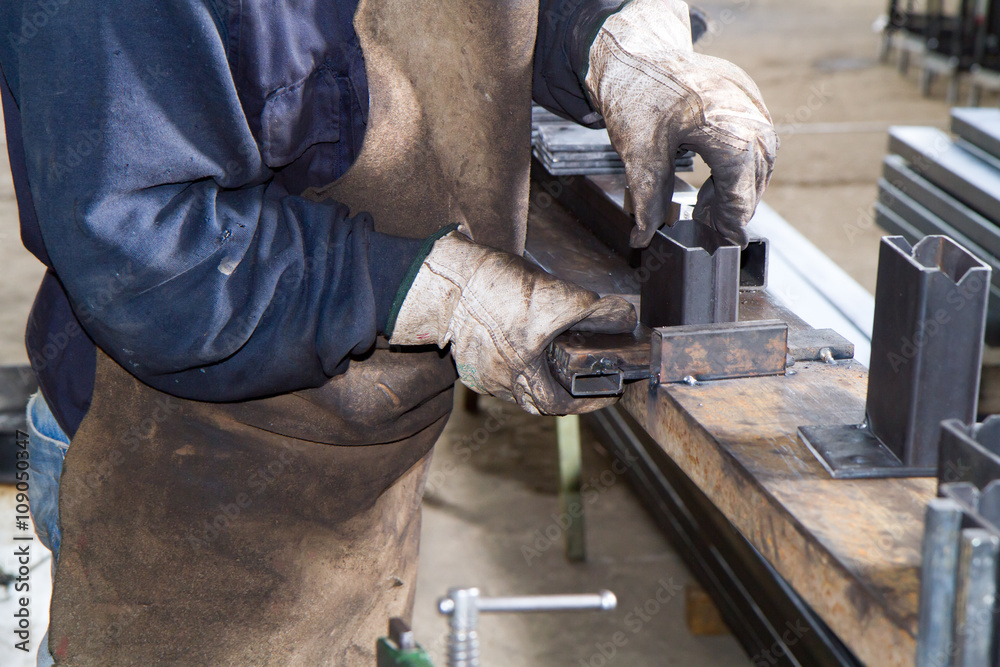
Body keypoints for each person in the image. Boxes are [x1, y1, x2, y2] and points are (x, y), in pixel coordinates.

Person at [0, 0, 776, 663]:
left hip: (370, 455)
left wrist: (620, 39)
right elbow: (148, 258)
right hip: (183, 483)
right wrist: (433, 292)